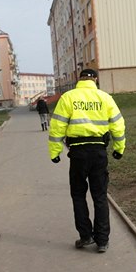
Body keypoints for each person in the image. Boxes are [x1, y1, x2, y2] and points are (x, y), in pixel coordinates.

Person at [48, 69, 125, 253]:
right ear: (95, 79)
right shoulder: (105, 98)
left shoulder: (68, 98)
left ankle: (86, 236)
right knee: (99, 196)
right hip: (99, 152)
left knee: (78, 195)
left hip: (78, 154)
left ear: (79, 79)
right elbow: (118, 125)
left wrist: (55, 152)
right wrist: (119, 149)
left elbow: (57, 126)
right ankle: (102, 241)